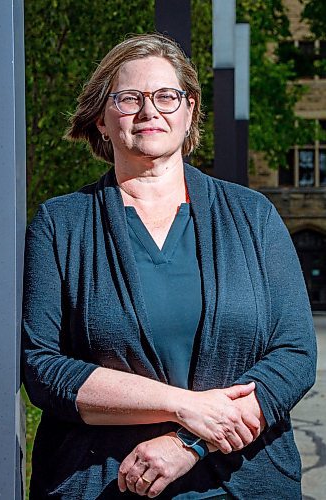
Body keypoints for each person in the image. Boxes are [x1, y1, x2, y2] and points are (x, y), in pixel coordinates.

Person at [22, 33, 317, 500]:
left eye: (166, 96)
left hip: (245, 482)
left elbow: (295, 355)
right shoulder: (61, 224)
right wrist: (184, 407)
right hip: (106, 483)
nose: (149, 111)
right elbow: (43, 368)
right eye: (129, 98)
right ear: (101, 118)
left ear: (189, 111)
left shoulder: (252, 215)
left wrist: (190, 443)